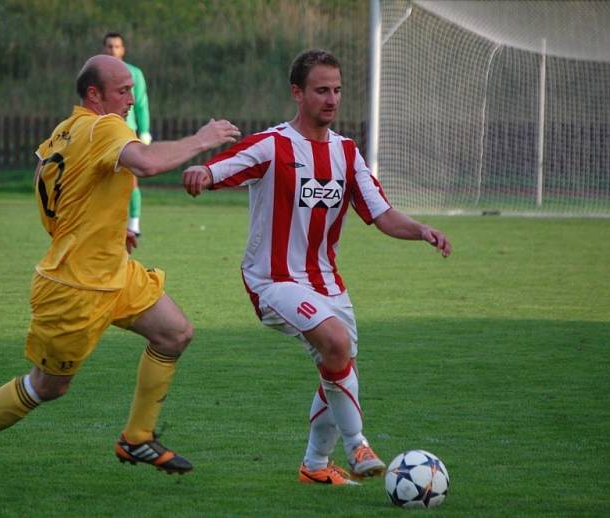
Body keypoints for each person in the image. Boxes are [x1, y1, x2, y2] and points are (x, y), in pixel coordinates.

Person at [0, 54, 241, 481]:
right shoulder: (104, 126)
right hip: (75, 287)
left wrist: (101, 230)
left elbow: (54, 188)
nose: (132, 98)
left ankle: (137, 437)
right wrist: (202, 139)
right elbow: (147, 164)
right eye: (123, 90)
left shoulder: (65, 129)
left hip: (110, 268)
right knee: (48, 386)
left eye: (132, 89)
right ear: (94, 94)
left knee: (174, 333)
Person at [182, 49, 452, 486]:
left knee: (340, 364)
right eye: (321, 90)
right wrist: (202, 172)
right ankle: (357, 444)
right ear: (297, 93)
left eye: (337, 90)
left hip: (327, 283)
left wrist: (421, 229)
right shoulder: (273, 144)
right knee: (335, 341)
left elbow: (382, 214)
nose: (331, 99)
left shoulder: (347, 153)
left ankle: (315, 467)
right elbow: (222, 168)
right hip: (273, 279)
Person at [103, 31, 150, 237]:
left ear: (123, 49)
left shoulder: (134, 73)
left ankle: (134, 222)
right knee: (101, 178)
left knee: (130, 178)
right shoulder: (96, 72)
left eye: (117, 46)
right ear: (104, 49)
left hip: (126, 131)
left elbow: (141, 103)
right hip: (102, 131)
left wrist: (145, 131)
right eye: (109, 46)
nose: (113, 50)